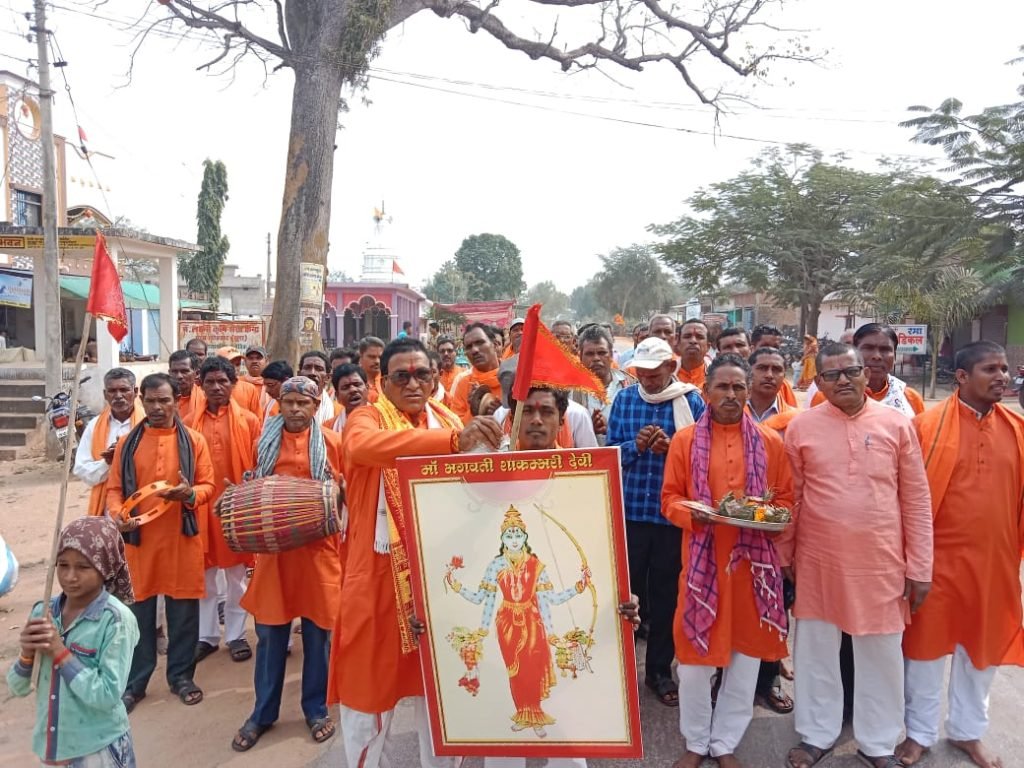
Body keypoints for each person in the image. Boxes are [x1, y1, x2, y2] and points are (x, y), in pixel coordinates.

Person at [329, 337, 504, 767]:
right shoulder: (365, 418)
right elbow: (364, 449)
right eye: (401, 376)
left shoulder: (446, 418)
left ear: (433, 378)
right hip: (378, 583)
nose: (413, 383)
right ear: (382, 381)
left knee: (443, 700)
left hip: (440, 585)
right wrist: (451, 443)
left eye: (422, 374)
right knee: (368, 704)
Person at [781, 343, 933, 768]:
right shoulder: (801, 428)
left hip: (882, 562)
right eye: (831, 375)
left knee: (881, 655)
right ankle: (816, 734)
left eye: (850, 371)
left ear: (866, 374)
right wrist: (785, 554)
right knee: (815, 652)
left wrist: (920, 566)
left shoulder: (896, 425)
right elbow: (791, 497)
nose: (842, 381)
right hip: (818, 560)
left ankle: (879, 742)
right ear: (819, 383)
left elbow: (916, 499)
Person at [896, 341, 1024, 768]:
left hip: (995, 564)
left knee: (980, 652)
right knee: (925, 652)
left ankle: (969, 732)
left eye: (1004, 368)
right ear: (963, 377)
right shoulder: (924, 426)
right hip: (938, 564)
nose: (1002, 377)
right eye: (991, 368)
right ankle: (919, 734)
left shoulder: (1018, 428)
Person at [662, 354, 793, 768]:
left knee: (744, 660)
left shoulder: (771, 443)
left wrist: (770, 518)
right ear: (707, 392)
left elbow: (786, 502)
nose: (732, 394)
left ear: (748, 390)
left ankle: (725, 744)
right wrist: (692, 512)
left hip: (753, 574)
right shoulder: (684, 441)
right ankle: (697, 741)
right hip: (703, 567)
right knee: (697, 663)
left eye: (739, 387)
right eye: (723, 386)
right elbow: (669, 499)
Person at [231, 376, 345, 752]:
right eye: (288, 402)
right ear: (278, 404)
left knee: (318, 637)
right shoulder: (262, 443)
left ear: (316, 407)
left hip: (319, 555)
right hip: (274, 558)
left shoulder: (333, 443)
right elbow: (250, 489)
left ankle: (315, 709)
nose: (295, 409)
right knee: (270, 638)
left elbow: (349, 497)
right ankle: (262, 713)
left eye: (303, 403)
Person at [107, 373, 216, 713]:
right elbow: (114, 489)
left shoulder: (194, 441)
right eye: (151, 400)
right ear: (141, 399)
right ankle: (135, 682)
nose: (157, 407)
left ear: (175, 400)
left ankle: (181, 677)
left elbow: (208, 486)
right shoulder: (128, 443)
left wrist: (189, 494)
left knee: (183, 613)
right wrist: (116, 514)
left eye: (164, 400)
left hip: (180, 538)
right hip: (139, 542)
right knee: (137, 614)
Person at [607, 337, 704, 707]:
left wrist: (673, 451)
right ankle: (619, 671)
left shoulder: (690, 401)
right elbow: (609, 454)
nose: (647, 379)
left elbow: (699, 457)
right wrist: (636, 446)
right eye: (642, 373)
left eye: (654, 372)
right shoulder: (625, 399)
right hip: (630, 513)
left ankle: (659, 673)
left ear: (670, 369)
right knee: (626, 596)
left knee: (666, 599)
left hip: (669, 518)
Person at [7, 517, 140, 767]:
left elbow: (107, 694)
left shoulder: (116, 621)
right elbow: (18, 688)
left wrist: (60, 652)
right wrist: (27, 654)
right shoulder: (43, 613)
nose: (70, 576)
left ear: (105, 567)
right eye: (63, 565)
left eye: (83, 567)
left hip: (98, 751)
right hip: (52, 749)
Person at [189, 356, 261, 666]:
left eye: (223, 381)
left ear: (233, 384)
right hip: (201, 507)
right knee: (204, 575)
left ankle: (235, 635)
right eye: (210, 382)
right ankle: (206, 636)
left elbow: (258, 466)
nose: (217, 387)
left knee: (236, 576)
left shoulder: (249, 420)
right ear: (200, 385)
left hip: (235, 508)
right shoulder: (189, 422)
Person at [809, 323, 925, 416]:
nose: (877, 356)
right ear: (853, 352)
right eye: (868, 348)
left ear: (894, 356)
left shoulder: (909, 398)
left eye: (885, 349)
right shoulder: (827, 395)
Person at [75, 368, 144, 517]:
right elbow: (81, 470)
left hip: (143, 502)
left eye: (124, 389)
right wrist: (107, 463)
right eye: (112, 391)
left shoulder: (147, 422)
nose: (118, 396)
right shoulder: (94, 426)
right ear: (105, 395)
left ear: (135, 391)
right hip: (107, 509)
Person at [572, 324, 635, 446]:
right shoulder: (568, 391)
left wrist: (611, 431)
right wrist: (587, 429)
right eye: (590, 354)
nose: (596, 358)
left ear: (611, 355)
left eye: (601, 353)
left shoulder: (631, 386)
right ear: (580, 357)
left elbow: (637, 432)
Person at [451, 323, 503, 423]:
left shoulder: (514, 379)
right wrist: (474, 409)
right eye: (469, 347)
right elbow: (456, 428)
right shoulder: (464, 383)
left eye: (480, 342)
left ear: (495, 344)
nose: (474, 350)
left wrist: (501, 413)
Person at [749, 325, 798, 407]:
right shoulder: (737, 381)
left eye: (775, 348)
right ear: (752, 349)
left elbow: (792, 415)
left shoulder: (782, 385)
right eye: (764, 347)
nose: (770, 351)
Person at [216, 347, 263, 416]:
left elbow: (257, 420)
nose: (235, 368)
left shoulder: (249, 389)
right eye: (230, 364)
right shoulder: (211, 388)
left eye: (238, 364)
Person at [300, 350, 343, 425]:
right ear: (299, 374)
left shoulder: (339, 411)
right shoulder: (287, 406)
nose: (312, 373)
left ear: (328, 378)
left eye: (319, 369)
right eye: (307, 367)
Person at [330, 363, 369, 433]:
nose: (353, 390)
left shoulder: (385, 418)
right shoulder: (329, 427)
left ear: (367, 388)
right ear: (337, 395)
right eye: (346, 387)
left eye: (357, 384)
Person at [169, 350, 203, 422]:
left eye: (184, 371)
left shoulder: (205, 399)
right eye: (174, 371)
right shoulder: (161, 399)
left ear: (197, 373)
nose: (179, 376)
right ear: (169, 373)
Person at [676, 319, 710, 388]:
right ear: (678, 344)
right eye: (687, 336)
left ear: (708, 346)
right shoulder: (666, 376)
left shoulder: (717, 376)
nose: (693, 341)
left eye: (700, 337)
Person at [359, 336, 386, 400]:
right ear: (361, 357)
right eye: (372, 357)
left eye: (380, 357)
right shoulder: (353, 382)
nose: (377, 361)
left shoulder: (388, 379)